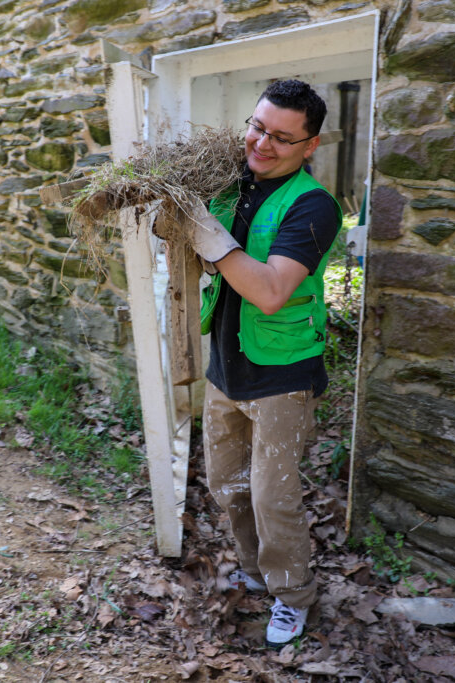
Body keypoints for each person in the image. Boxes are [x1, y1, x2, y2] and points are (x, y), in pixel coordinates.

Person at [163, 79, 342, 647]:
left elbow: (269, 291)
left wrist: (210, 238)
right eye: (258, 127)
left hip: (281, 376)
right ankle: (256, 571)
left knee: (273, 497)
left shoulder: (313, 206)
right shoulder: (230, 184)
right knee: (228, 485)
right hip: (226, 367)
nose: (263, 144)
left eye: (282, 138)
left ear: (310, 145)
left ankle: (294, 594)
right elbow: (204, 260)